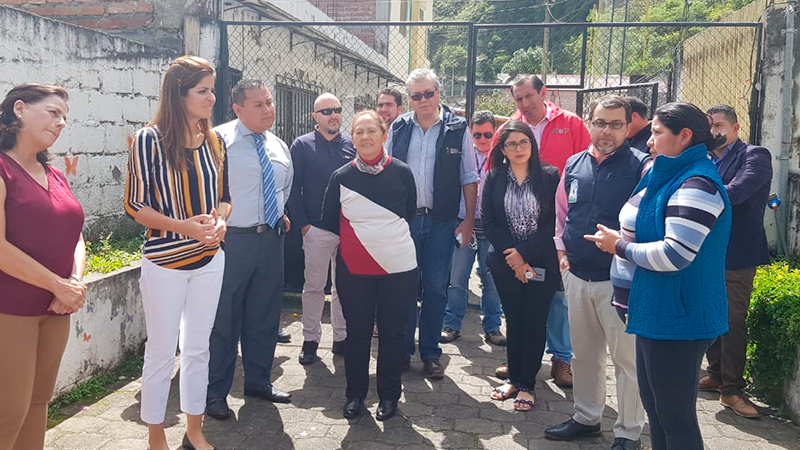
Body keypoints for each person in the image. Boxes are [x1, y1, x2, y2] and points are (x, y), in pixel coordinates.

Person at [586, 102, 731, 450]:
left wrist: (620, 247)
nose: (648, 141)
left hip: (679, 318)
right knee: (658, 413)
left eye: (656, 132)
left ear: (684, 136)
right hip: (654, 312)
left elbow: (675, 254)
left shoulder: (698, 184)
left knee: (676, 419)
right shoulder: (666, 172)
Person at [124, 55, 231, 450]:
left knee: (199, 348)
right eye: (203, 91)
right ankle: (156, 436)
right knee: (161, 350)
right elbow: (135, 205)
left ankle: (195, 430)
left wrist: (220, 222)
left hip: (210, 260)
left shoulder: (216, 141)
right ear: (178, 94)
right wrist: (185, 227)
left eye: (212, 89)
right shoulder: (148, 140)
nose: (211, 98)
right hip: (165, 263)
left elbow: (225, 198)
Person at [544, 96, 647, 450]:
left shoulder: (641, 167)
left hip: (619, 281)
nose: (607, 131)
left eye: (616, 124)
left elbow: (649, 220)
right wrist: (561, 251)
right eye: (600, 123)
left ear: (628, 126)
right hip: (577, 275)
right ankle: (587, 418)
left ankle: (629, 432)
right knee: (584, 355)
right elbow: (562, 213)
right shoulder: (574, 163)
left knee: (627, 361)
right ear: (589, 123)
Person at [0, 84, 86, 450]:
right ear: (19, 109)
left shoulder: (55, 174)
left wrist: (73, 283)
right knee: (8, 412)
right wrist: (58, 284)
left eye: (65, 116)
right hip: (10, 310)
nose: (61, 122)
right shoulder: (3, 169)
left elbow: (76, 235)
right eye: (53, 112)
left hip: (56, 309)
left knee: (38, 404)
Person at [493, 75, 591, 387]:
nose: (524, 104)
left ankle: (561, 359)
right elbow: (491, 189)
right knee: (518, 309)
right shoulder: (509, 129)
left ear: (543, 93)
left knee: (558, 300)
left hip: (556, 229)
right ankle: (519, 361)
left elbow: (588, 165)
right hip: (513, 243)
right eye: (518, 99)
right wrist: (516, 254)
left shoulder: (570, 124)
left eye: (529, 96)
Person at [321, 110, 418, 421]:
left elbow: (410, 212)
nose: (365, 137)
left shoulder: (402, 172)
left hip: (398, 269)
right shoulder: (341, 177)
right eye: (359, 132)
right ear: (352, 137)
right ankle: (355, 395)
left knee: (392, 333)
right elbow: (329, 219)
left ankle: (389, 396)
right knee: (358, 333)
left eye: (371, 131)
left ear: (384, 135)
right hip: (355, 270)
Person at [206, 79, 293, 421]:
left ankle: (258, 381)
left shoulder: (279, 145)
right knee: (224, 320)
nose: (268, 109)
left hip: (270, 240)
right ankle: (215, 392)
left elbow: (284, 187)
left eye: (269, 102)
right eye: (258, 104)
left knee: (265, 316)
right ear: (238, 109)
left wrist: (277, 214)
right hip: (231, 242)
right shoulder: (217, 141)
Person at [385, 68, 479, 379]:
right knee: (404, 287)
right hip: (406, 221)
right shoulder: (398, 128)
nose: (423, 100)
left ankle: (430, 352)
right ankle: (403, 351)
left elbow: (469, 176)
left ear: (438, 93)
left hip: (442, 222)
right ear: (409, 99)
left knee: (437, 287)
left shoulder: (457, 128)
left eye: (429, 93)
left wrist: (468, 221)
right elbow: (386, 171)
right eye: (416, 95)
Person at [698, 104, 772, 419]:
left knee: (732, 319)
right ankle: (715, 374)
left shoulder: (754, 156)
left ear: (736, 128)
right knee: (709, 313)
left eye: (719, 125)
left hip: (737, 254)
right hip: (706, 251)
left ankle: (732, 390)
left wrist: (694, 197)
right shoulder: (706, 159)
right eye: (709, 126)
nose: (713, 131)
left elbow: (737, 193)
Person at [483, 120, 560, 411]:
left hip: (541, 263)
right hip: (505, 263)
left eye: (523, 142)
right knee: (514, 320)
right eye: (511, 144)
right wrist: (513, 257)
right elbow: (489, 222)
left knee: (534, 321)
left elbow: (553, 222)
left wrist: (523, 254)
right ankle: (514, 379)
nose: (518, 148)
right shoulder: (494, 177)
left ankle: (528, 385)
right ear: (503, 149)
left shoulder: (549, 176)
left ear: (532, 144)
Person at [288, 93, 355, 365]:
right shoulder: (302, 145)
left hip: (347, 229)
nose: (333, 115)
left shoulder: (351, 144)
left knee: (344, 287)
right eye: (326, 111)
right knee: (314, 286)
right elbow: (293, 188)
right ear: (315, 116)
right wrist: (304, 226)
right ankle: (310, 340)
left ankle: (341, 338)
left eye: (337, 109)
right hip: (316, 229)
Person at [440, 110, 505, 346]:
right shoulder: (462, 157)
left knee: (492, 282)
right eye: (477, 135)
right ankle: (452, 324)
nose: (482, 139)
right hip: (464, 225)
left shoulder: (503, 160)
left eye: (488, 134)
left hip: (491, 230)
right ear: (470, 134)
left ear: (495, 134)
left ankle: (493, 328)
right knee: (457, 279)